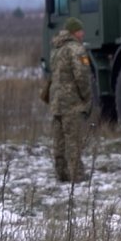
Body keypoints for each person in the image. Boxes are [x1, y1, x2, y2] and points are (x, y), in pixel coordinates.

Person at [47, 17, 92, 182]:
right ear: (75, 32)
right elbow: (82, 77)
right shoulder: (76, 49)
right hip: (71, 103)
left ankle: (62, 173)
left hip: (56, 103)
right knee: (73, 140)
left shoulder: (57, 49)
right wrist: (87, 98)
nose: (83, 33)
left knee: (58, 142)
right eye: (81, 30)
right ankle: (77, 175)